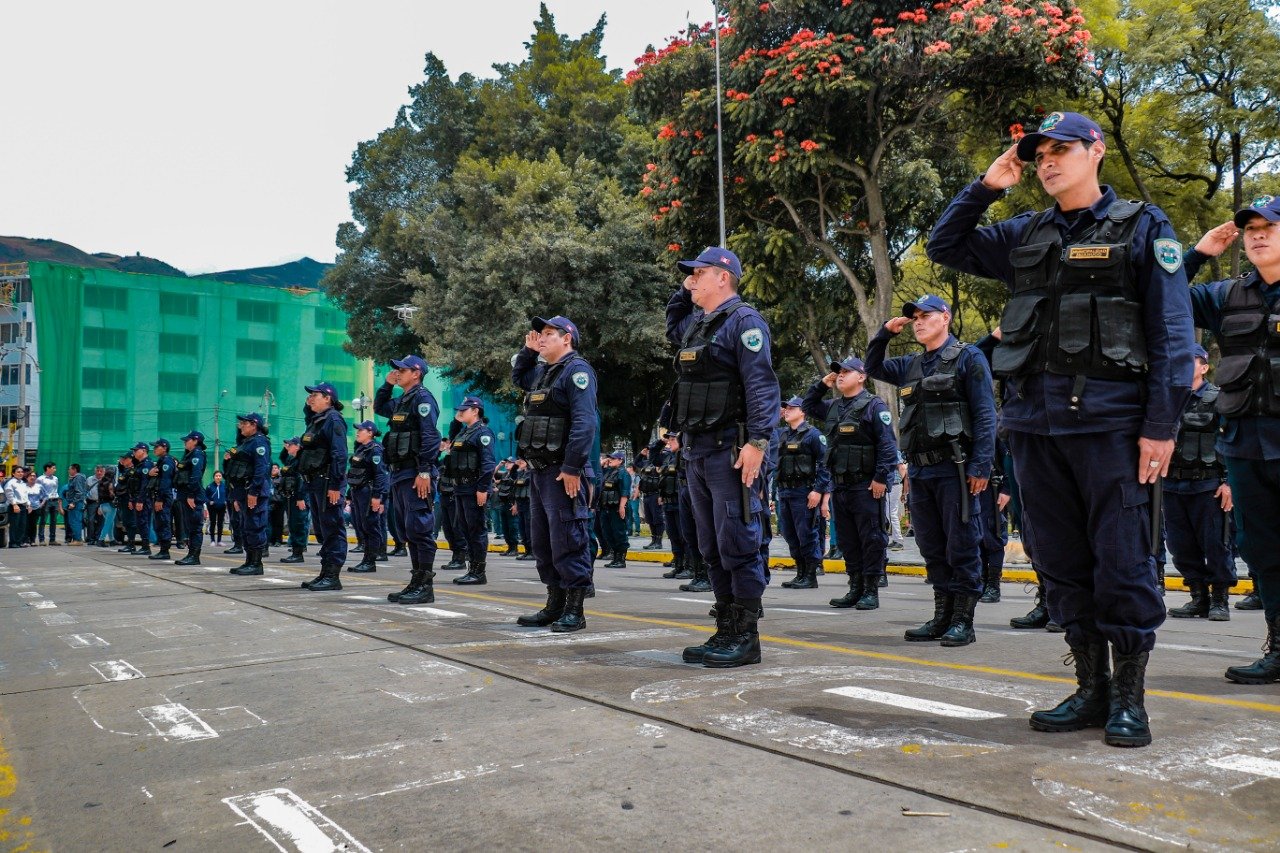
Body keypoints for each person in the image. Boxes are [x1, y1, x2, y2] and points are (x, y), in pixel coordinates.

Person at [926, 111, 1195, 746]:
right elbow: (945, 246)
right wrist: (987, 187)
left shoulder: (1144, 227)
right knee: (1060, 562)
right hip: (1035, 431)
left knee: (1124, 560)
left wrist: (1162, 426)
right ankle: (1090, 689)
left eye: (1061, 150)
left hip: (1112, 429)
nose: (1047, 161)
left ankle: (1130, 696)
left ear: (1095, 151)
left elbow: (1173, 334)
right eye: (1038, 154)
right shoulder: (1025, 233)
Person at [666, 247, 781, 668]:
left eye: (698, 273)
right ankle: (726, 627)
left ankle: (747, 636)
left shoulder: (744, 322)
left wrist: (759, 442)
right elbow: (672, 325)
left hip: (731, 451)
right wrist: (684, 290)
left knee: (738, 542)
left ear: (722, 277)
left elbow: (762, 387)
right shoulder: (698, 324)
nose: (690, 280)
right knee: (710, 546)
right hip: (698, 451)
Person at [1183, 199, 1280, 684]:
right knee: (1261, 549)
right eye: (1250, 230)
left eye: (1269, 227)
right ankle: (1279, 647)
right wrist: (1199, 253)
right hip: (1244, 442)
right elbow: (1163, 294)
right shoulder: (1227, 295)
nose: (1257, 235)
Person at [866, 296, 996, 645]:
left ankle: (963, 621)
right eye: (915, 318)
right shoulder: (910, 364)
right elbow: (873, 367)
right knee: (932, 546)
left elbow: (986, 415)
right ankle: (941, 616)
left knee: (962, 545)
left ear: (945, 318)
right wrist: (884, 334)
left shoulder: (968, 357)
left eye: (925, 316)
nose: (918, 322)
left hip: (957, 469)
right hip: (921, 473)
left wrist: (981, 465)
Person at [511, 315, 599, 632]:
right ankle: (554, 604)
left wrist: (573, 467)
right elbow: (518, 377)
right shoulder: (543, 374)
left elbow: (584, 423)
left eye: (549, 333)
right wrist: (528, 351)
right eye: (540, 333)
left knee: (568, 540)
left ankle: (575, 610)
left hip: (564, 473)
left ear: (567, 338)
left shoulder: (577, 372)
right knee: (544, 543)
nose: (542, 337)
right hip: (540, 473)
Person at [802, 358, 898, 607]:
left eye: (846, 372)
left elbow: (887, 445)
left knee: (871, 538)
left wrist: (880, 479)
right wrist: (823, 384)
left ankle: (871, 590)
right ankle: (855, 587)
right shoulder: (834, 406)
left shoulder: (874, 406)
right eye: (838, 372)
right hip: (840, 485)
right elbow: (808, 406)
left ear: (862, 376)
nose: (841, 376)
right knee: (847, 540)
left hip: (866, 485)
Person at [1159, 344, 1233, 621]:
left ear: (1204, 367)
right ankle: (1198, 598)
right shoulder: (1166, 399)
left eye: (1190, 361)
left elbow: (1228, 442)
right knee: (1181, 546)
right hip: (1173, 485)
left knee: (1216, 544)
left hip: (1209, 485)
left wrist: (1229, 483)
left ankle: (1220, 600)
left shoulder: (1218, 398)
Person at [375, 355, 442, 605]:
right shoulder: (403, 400)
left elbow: (430, 437)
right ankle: (416, 581)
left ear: (416, 373)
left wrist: (424, 470)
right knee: (409, 531)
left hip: (416, 474)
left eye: (402, 370)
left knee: (420, 529)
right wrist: (386, 385)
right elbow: (380, 407)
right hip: (400, 473)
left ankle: (425, 586)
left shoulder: (422, 399)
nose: (397, 372)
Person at [773, 396, 832, 591]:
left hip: (804, 492)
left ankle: (810, 575)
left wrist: (817, 490)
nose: (787, 411)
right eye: (786, 408)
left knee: (806, 533)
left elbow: (825, 465)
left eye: (792, 408)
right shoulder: (782, 434)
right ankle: (800, 573)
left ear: (803, 412)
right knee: (790, 534)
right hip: (785, 491)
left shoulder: (813, 435)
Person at [297, 383, 349, 592]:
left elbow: (339, 454)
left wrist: (336, 484)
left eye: (315, 395)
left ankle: (333, 576)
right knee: (322, 529)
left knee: (333, 528)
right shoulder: (317, 421)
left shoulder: (333, 419)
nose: (311, 398)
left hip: (329, 482)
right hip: (316, 482)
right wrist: (307, 404)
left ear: (328, 398)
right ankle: (325, 572)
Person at [447, 396, 497, 586]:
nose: (460, 413)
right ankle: (472, 568)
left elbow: (487, 464)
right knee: (465, 528)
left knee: (476, 530)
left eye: (464, 410)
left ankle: (478, 571)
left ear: (475, 411)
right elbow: (452, 439)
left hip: (474, 487)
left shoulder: (482, 433)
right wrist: (456, 419)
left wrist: (483, 488)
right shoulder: (463, 433)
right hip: (460, 487)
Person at [224, 413, 272, 575]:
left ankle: (256, 563)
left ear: (254, 425)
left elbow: (261, 469)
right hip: (243, 492)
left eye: (244, 423)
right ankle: (249, 561)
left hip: (253, 492)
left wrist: (254, 491)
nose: (241, 426)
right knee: (247, 527)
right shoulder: (246, 442)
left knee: (255, 527)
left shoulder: (259, 442)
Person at [347, 420, 390, 573]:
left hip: (369, 492)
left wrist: (378, 497)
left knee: (371, 526)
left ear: (370, 432)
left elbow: (380, 475)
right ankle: (365, 559)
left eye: (361, 429)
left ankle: (370, 561)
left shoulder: (376, 450)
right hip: (358, 491)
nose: (357, 432)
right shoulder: (362, 449)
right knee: (362, 526)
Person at [170, 431, 208, 566]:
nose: (185, 442)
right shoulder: (189, 454)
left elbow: (196, 476)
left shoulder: (197, 454)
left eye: (188, 440)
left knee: (195, 527)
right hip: (185, 495)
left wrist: (191, 495)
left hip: (193, 495)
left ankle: (194, 556)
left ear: (195, 441)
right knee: (190, 527)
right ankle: (191, 554)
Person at [277, 438, 309, 564]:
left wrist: (300, 497)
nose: (288, 447)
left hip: (298, 497)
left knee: (299, 524)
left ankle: (298, 553)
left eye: (290, 445)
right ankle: (295, 551)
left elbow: (302, 479)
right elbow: (282, 457)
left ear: (297, 446)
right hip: (289, 495)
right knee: (292, 524)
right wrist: (285, 448)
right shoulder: (291, 459)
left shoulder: (302, 460)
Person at [145, 439, 177, 560]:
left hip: (163, 496)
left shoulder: (167, 461)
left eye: (157, 447)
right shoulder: (161, 461)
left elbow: (165, 482)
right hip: (160, 495)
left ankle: (165, 550)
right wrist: (149, 474)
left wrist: (160, 499)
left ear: (164, 448)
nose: (154, 449)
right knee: (158, 523)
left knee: (164, 522)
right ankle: (162, 549)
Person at [600, 452, 631, 568]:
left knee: (619, 533)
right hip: (606, 508)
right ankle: (615, 558)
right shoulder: (608, 472)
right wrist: (602, 465)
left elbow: (625, 492)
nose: (610, 460)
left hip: (617, 508)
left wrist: (622, 507)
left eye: (613, 458)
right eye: (610, 458)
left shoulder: (623, 473)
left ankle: (621, 560)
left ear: (620, 460)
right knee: (608, 533)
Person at [638, 444, 665, 549]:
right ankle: (653, 540)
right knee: (649, 519)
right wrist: (641, 454)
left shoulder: (660, 463)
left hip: (655, 495)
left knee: (657, 519)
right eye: (648, 451)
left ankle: (659, 541)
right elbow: (636, 463)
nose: (649, 453)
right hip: (646, 495)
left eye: (650, 451)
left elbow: (663, 479)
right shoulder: (646, 463)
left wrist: (661, 494)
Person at [129, 443, 155, 556]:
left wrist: (140, 500)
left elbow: (145, 484)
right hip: (137, 497)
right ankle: (145, 546)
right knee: (140, 522)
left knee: (143, 522)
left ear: (143, 451)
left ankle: (146, 547)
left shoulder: (146, 464)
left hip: (143, 498)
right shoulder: (140, 464)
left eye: (136, 450)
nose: (134, 452)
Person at [494, 459, 521, 556]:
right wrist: (499, 465)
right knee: (505, 528)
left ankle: (514, 548)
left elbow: (518, 491)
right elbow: (492, 475)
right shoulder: (505, 474)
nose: (507, 464)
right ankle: (510, 548)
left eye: (510, 463)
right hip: (503, 504)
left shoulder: (515, 475)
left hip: (511, 505)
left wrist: (515, 505)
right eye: (506, 463)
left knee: (512, 527)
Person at [511, 457, 533, 559]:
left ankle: (532, 552)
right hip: (521, 504)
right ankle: (527, 551)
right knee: (522, 528)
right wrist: (515, 466)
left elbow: (525, 482)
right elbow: (513, 475)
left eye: (523, 462)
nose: (521, 463)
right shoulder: (520, 474)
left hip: (529, 503)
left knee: (529, 529)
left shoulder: (531, 473)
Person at [33, 463, 60, 546]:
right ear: (48, 468)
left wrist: (58, 500)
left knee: (54, 520)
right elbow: (38, 490)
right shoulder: (40, 479)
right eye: (53, 468)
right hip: (45, 501)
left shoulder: (55, 478)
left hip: (55, 500)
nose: (55, 469)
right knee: (43, 520)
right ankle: (41, 540)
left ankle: (52, 539)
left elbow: (55, 489)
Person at [63, 464, 89, 545]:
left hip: (76, 503)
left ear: (74, 470)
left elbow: (79, 492)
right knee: (73, 521)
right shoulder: (75, 478)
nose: (68, 471)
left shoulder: (78, 478)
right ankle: (77, 538)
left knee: (75, 521)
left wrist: (73, 503)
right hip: (75, 502)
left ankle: (77, 540)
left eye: (70, 469)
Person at [6, 467, 29, 547]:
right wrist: (14, 504)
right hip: (15, 506)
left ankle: (19, 542)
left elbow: (25, 495)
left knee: (22, 525)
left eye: (22, 472)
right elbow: (9, 494)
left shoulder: (23, 483)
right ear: (13, 473)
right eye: (18, 472)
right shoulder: (11, 483)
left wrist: (28, 505)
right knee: (14, 525)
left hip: (23, 506)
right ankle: (13, 543)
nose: (20, 473)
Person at [206, 472, 228, 546]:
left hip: (222, 507)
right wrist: (209, 502)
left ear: (221, 477)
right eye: (216, 476)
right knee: (213, 523)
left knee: (220, 523)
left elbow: (227, 495)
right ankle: (212, 540)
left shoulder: (224, 486)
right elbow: (205, 497)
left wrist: (226, 501)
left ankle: (219, 540)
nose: (218, 477)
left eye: (219, 476)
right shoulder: (209, 486)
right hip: (213, 507)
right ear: (214, 477)